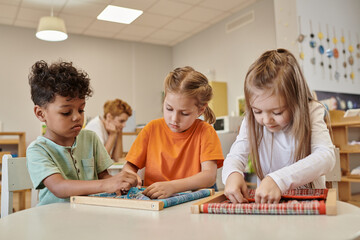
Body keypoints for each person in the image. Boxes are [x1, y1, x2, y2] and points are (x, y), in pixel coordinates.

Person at [222, 49, 336, 204]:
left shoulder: (311, 111)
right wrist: (232, 174)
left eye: (277, 112)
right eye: (257, 111)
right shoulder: (251, 119)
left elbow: (326, 157)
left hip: (309, 203)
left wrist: (279, 179)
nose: (266, 119)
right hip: (269, 206)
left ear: (295, 102)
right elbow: (236, 155)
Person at [27, 60, 138, 205]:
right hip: (54, 220)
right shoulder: (38, 150)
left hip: (89, 214)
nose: (77, 117)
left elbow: (103, 176)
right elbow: (59, 187)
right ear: (41, 113)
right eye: (66, 112)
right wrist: (107, 185)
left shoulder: (90, 138)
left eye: (81, 110)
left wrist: (121, 182)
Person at [122, 66, 224, 199]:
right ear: (164, 100)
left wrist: (172, 186)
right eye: (169, 109)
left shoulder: (205, 132)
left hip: (189, 201)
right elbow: (128, 167)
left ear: (200, 110)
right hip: (154, 201)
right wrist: (130, 175)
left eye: (184, 113)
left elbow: (209, 176)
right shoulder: (151, 128)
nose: (174, 119)